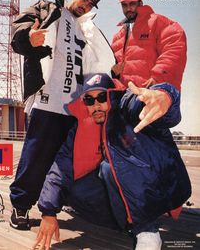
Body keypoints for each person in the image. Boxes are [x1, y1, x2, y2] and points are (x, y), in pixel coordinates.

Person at [33, 73, 191, 250]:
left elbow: (144, 104)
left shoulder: (127, 109)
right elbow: (60, 168)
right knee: (76, 190)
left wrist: (165, 96)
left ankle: (147, 230)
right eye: (89, 100)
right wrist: (48, 212)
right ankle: (126, 224)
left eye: (102, 97)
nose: (96, 105)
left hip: (162, 184)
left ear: (112, 96)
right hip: (127, 190)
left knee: (109, 168)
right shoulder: (80, 127)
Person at [9, 0, 116, 230]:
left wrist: (113, 70)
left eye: (90, 5)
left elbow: (99, 60)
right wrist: (28, 38)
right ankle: (21, 206)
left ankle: (62, 200)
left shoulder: (86, 28)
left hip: (76, 107)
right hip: (48, 100)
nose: (85, 5)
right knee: (35, 157)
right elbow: (21, 28)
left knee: (70, 160)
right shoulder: (48, 8)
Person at [111, 0, 187, 90]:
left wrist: (158, 77)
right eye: (124, 5)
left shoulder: (157, 22)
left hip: (152, 93)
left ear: (140, 3)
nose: (128, 9)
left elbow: (174, 48)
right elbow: (113, 65)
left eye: (132, 4)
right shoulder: (119, 36)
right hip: (126, 96)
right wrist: (114, 74)